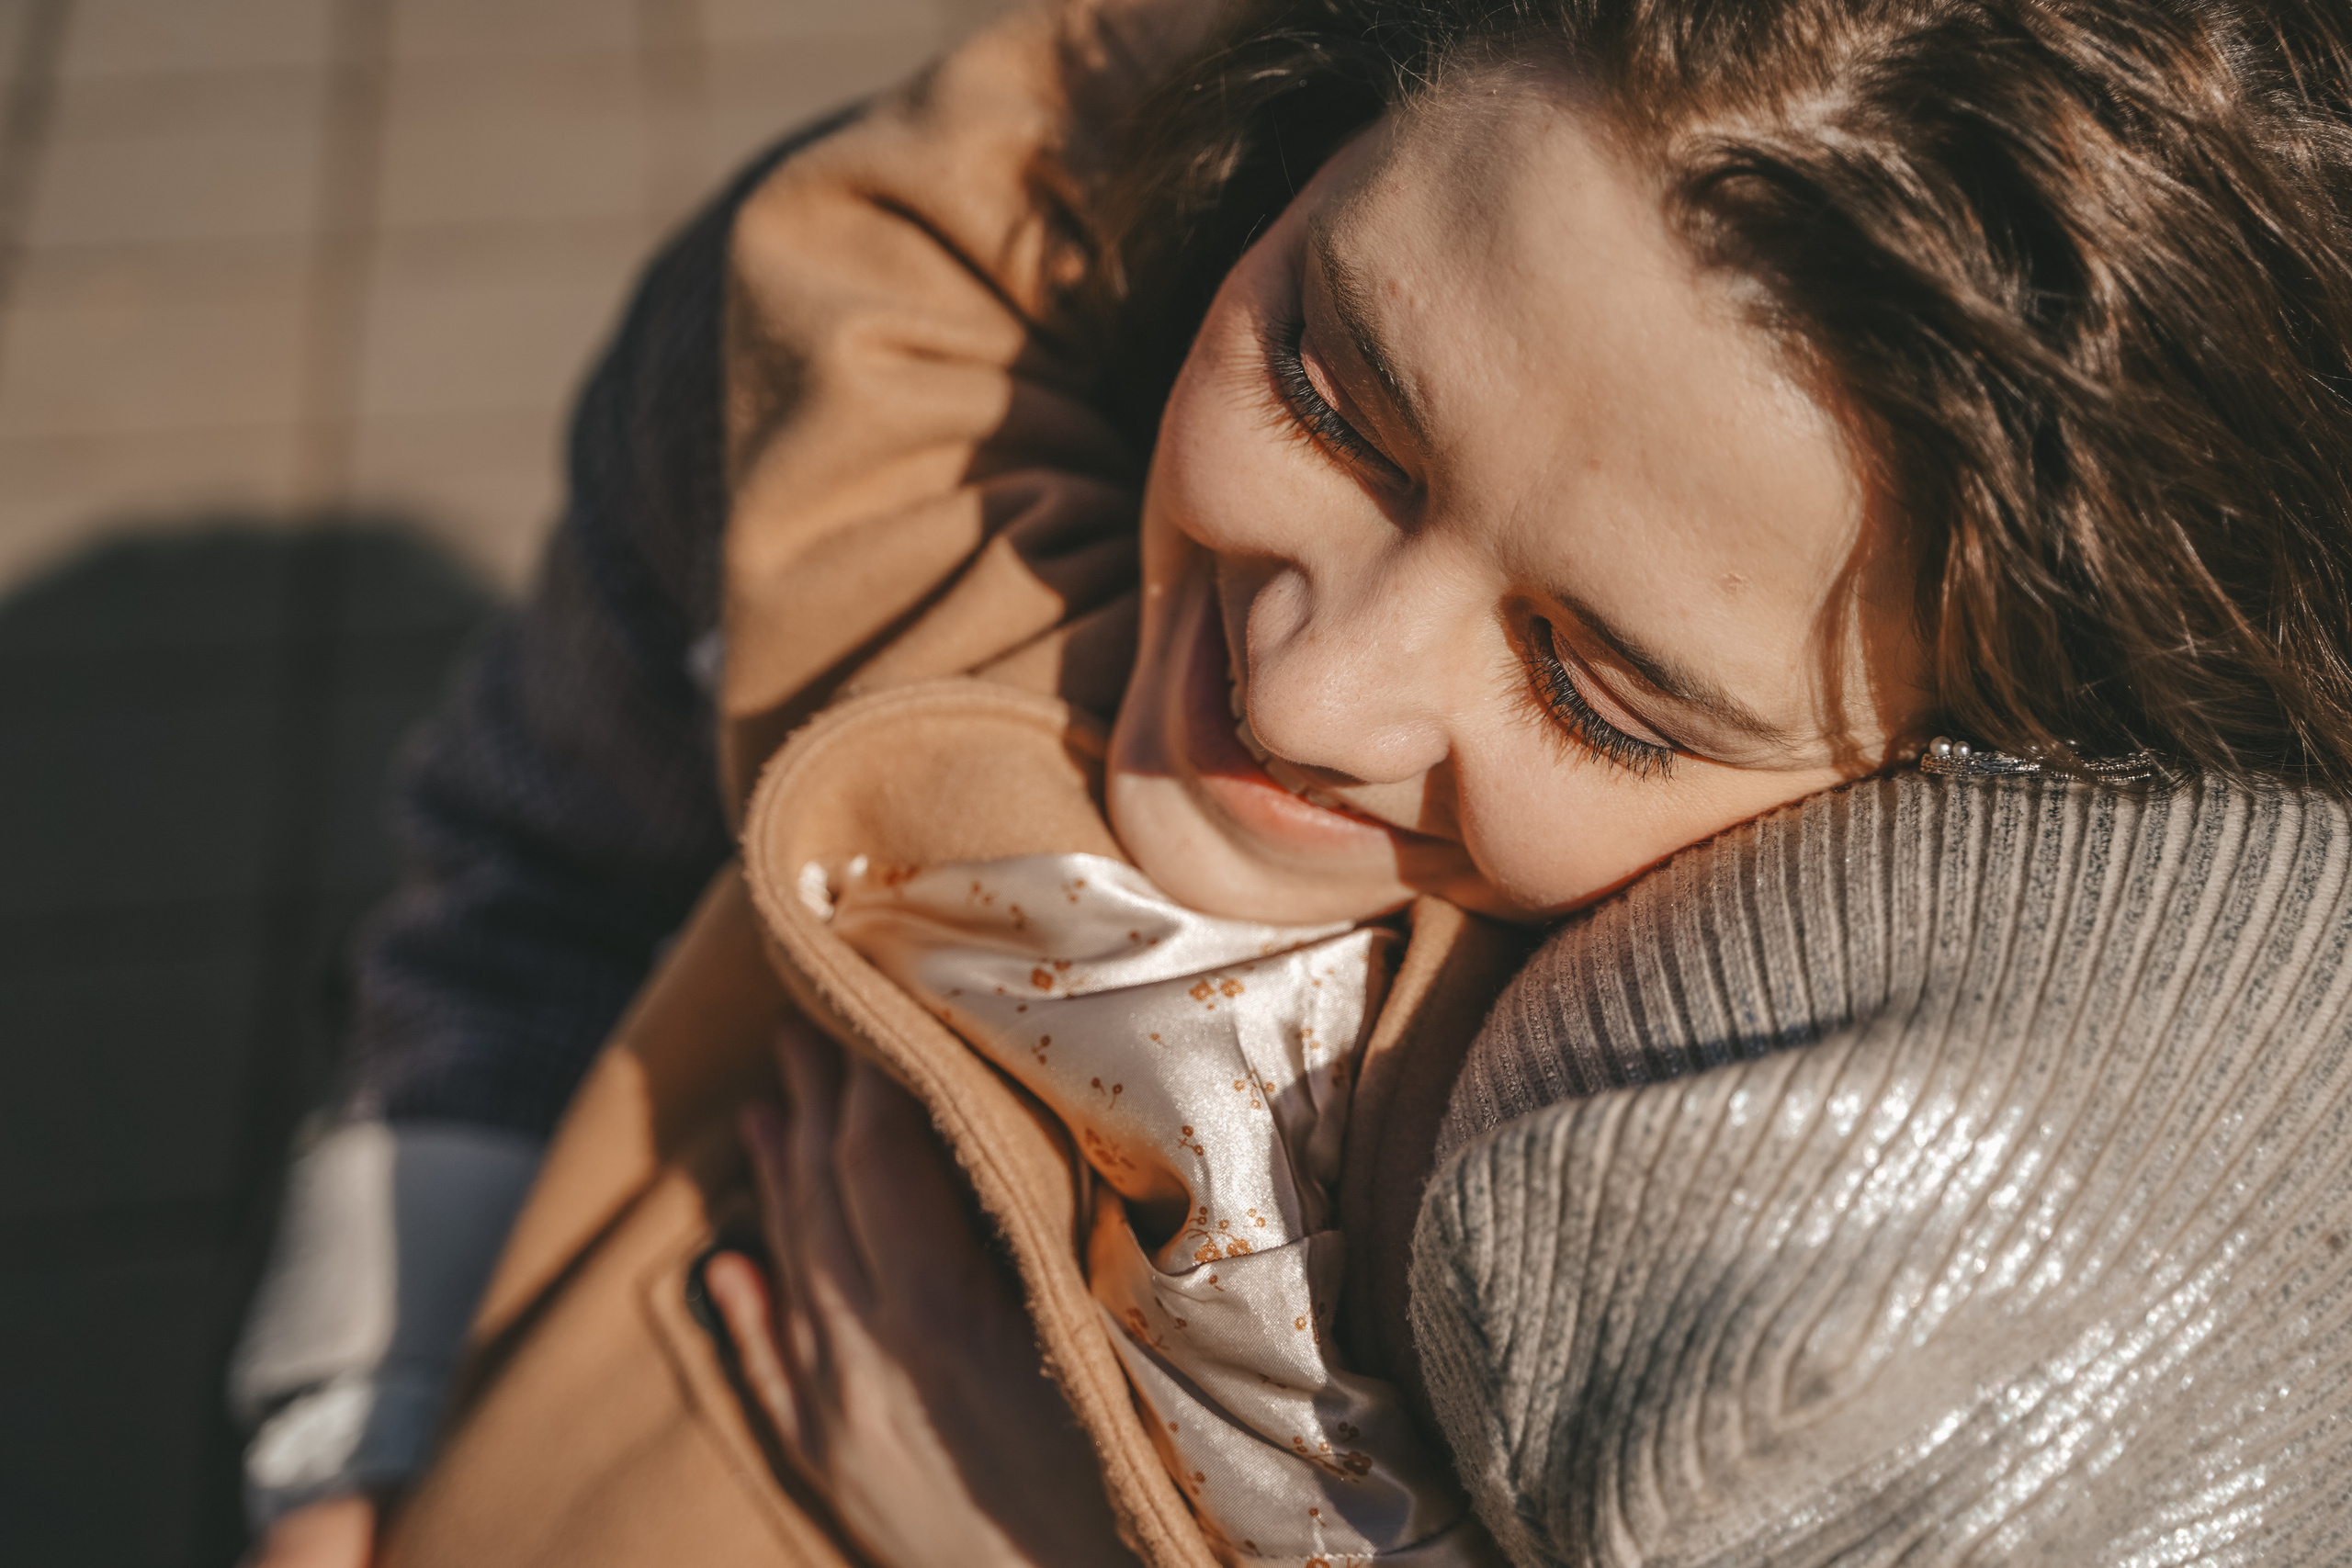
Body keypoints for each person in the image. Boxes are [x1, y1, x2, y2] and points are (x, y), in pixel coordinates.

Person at [234, 0, 2352, 1562]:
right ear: (1321, 119)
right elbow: (526, 885)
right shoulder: (831, 341)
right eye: (1332, 395)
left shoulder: (1865, 1208)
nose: (1314, 685)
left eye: (1600, 694)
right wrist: (346, 1445)